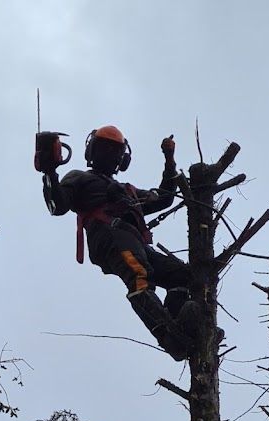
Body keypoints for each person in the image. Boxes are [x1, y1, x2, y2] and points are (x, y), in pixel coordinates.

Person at [41, 125, 199, 361]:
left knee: (183, 276)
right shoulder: (80, 178)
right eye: (104, 148)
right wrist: (50, 171)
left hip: (134, 241)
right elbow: (58, 205)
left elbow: (164, 198)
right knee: (138, 275)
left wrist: (169, 160)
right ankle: (169, 337)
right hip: (109, 236)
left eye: (113, 150)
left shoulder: (129, 191)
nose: (109, 154)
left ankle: (180, 323)